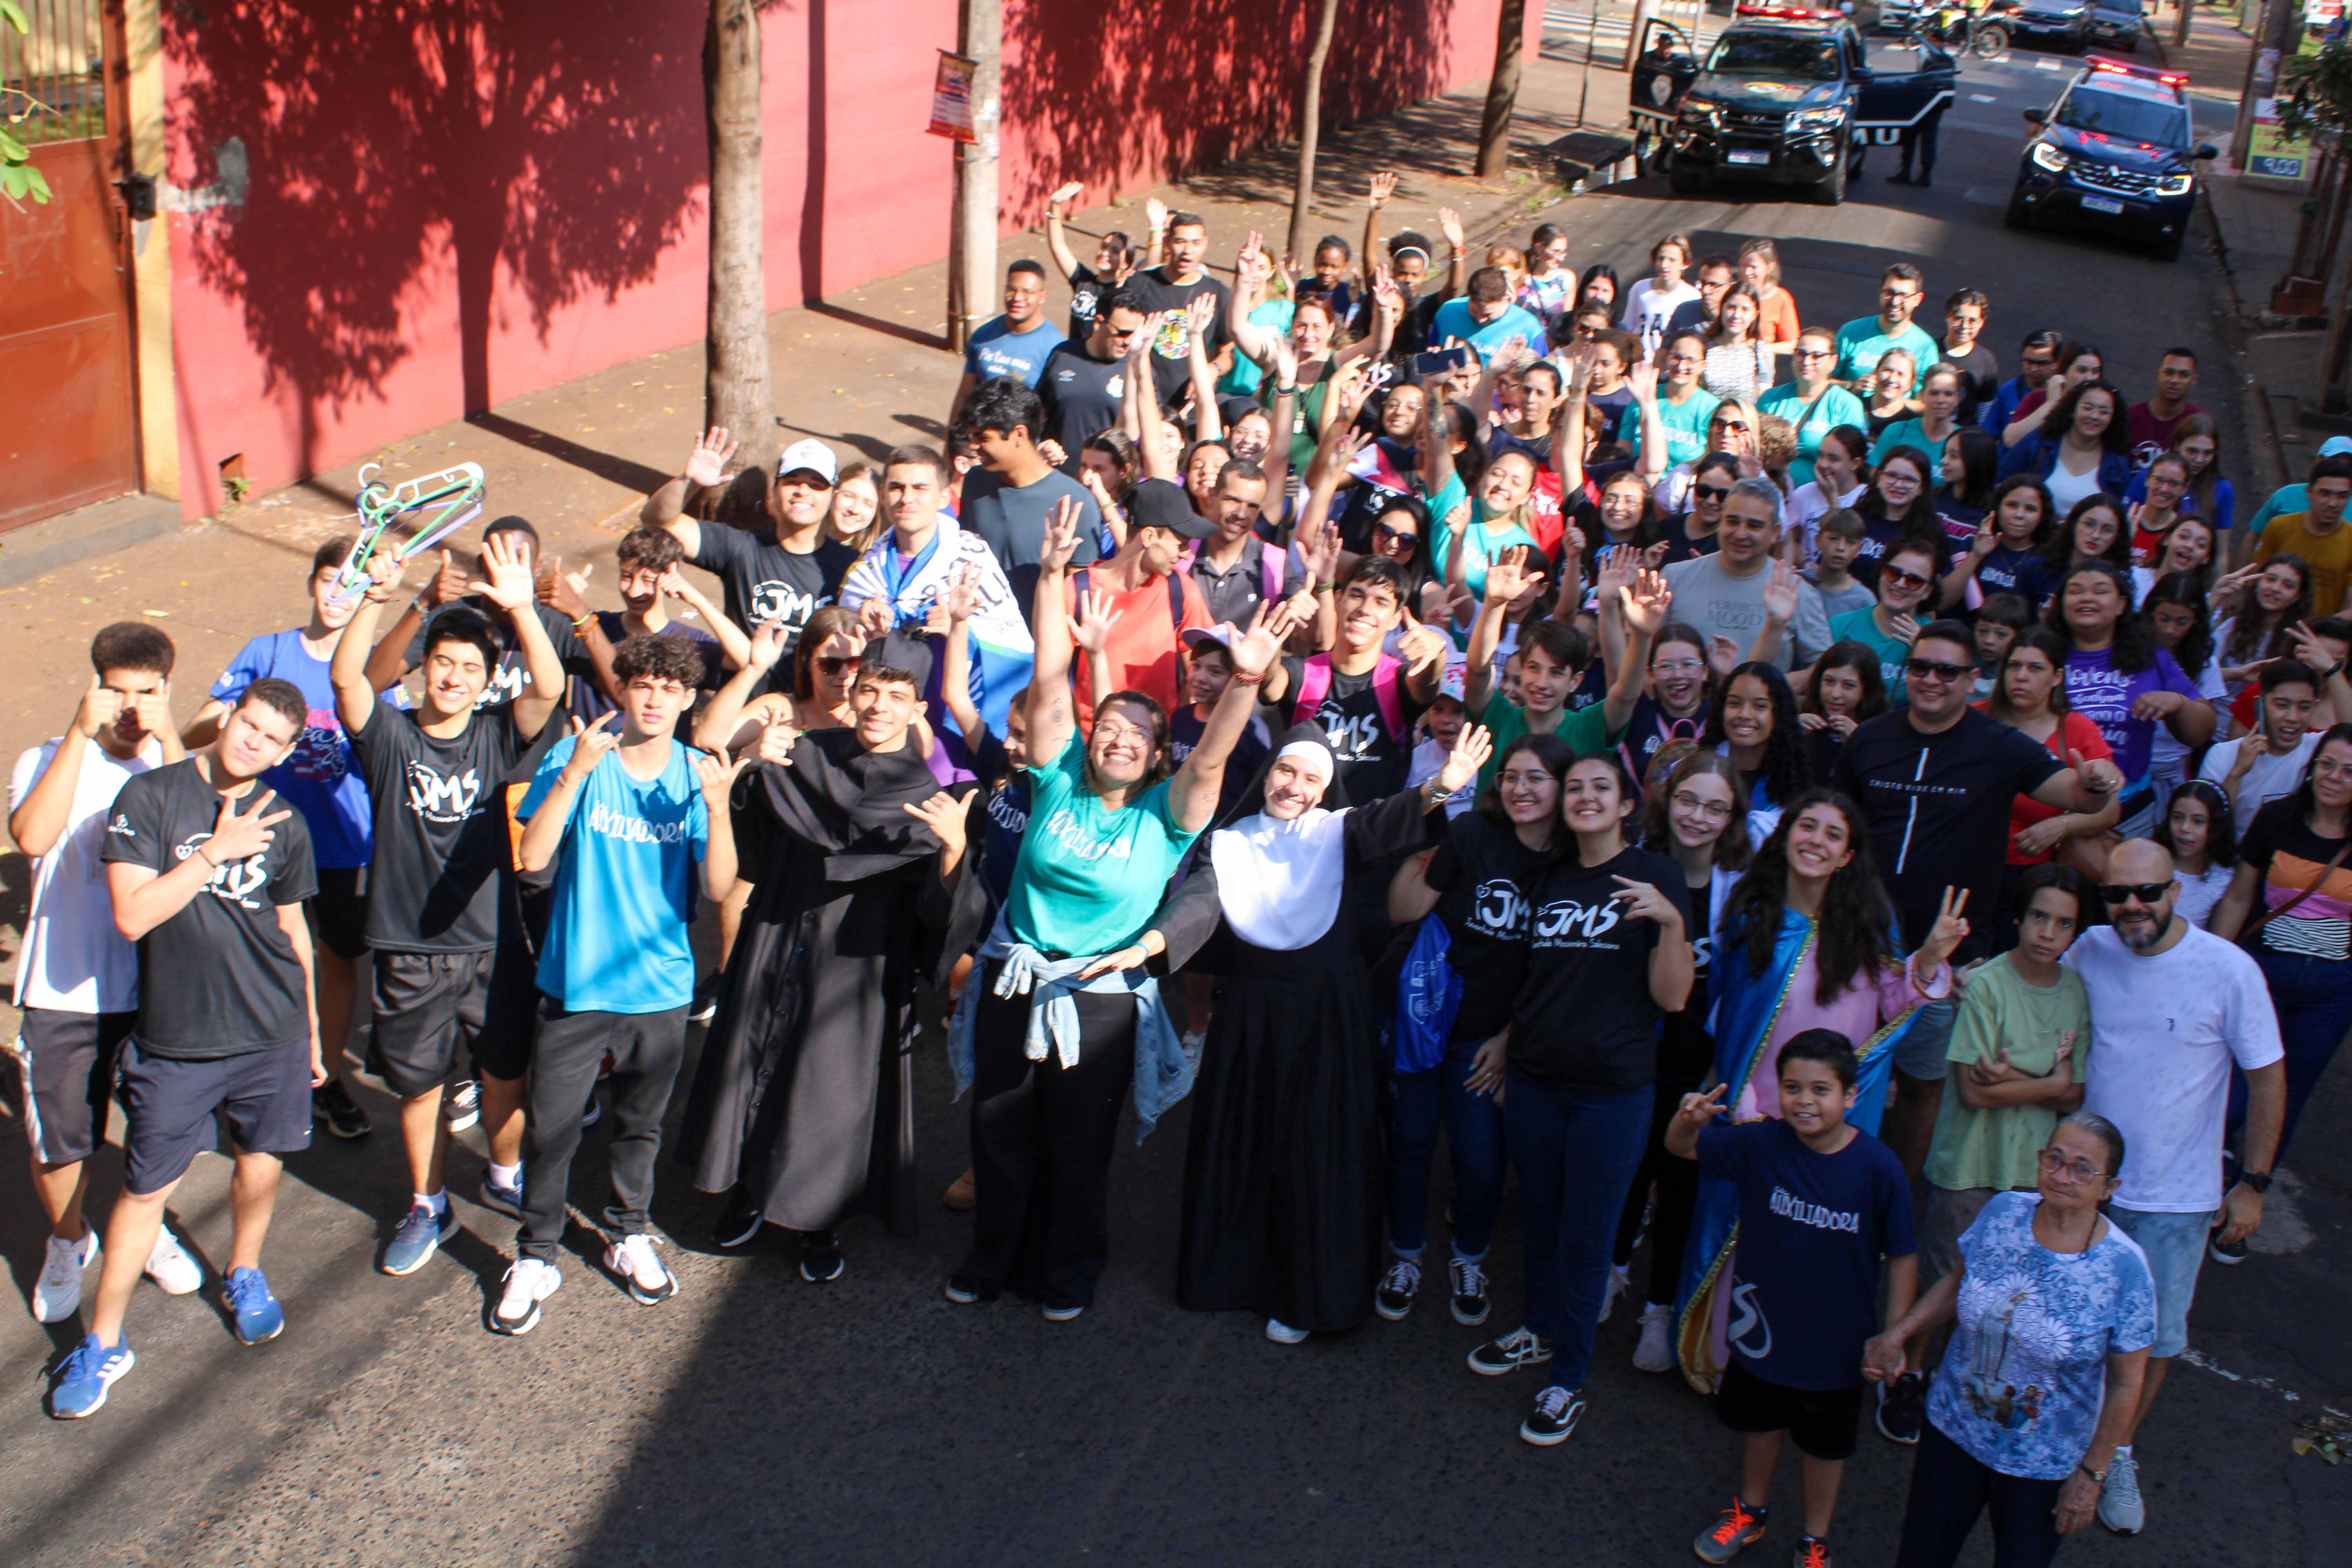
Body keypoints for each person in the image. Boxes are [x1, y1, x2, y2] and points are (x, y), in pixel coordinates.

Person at [943, 511, 1289, 1319]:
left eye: (1140, 734)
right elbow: (1054, 680)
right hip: (1012, 973)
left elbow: (1211, 759)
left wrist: (1243, 680)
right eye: (1110, 727)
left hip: (1097, 994)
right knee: (998, 1127)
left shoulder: (1167, 815)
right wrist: (1054, 573)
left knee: (1076, 1143)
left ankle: (1066, 1272)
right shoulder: (1056, 776)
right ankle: (991, 1257)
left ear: (1157, 753)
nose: (1120, 740)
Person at [1160, 720, 1492, 1342]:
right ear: (1267, 774)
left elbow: (1386, 818)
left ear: (1326, 787)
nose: (1295, 787)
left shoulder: (1336, 834)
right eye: (1286, 771)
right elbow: (1200, 905)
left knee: (1315, 1151)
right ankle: (1228, 1278)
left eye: (1312, 777)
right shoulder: (1229, 841)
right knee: (1245, 1142)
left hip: (1324, 1024)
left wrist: (1440, 789)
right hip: (1250, 1021)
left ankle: (1307, 1296)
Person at [49, 679, 318, 1419]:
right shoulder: (151, 798)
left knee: (262, 1164)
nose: (251, 743)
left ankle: (245, 1271)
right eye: (247, 726)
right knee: (144, 1191)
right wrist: (215, 854)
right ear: (229, 717)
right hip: (177, 1043)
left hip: (273, 1032)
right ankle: (104, 1341)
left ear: (287, 753)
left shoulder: (286, 819)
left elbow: (293, 931)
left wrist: (315, 1031)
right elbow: (132, 917)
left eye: (270, 740)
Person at [675, 635, 972, 1275]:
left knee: (829, 1098)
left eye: (897, 697)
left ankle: (819, 1224)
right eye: (870, 691)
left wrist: (951, 857)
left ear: (918, 709)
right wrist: (753, 765)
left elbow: (939, 919)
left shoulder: (924, 794)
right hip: (778, 938)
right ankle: (750, 1193)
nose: (879, 708)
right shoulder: (806, 755)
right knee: (755, 1071)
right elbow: (745, 836)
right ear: (852, 691)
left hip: (859, 967)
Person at [1677, 793, 1964, 1409]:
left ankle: (1811, 1361)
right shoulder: (1749, 914)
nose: (1816, 840)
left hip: (1837, 1118)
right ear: (1784, 838)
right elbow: (1730, 1015)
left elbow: (1892, 1008)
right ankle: (1728, 1359)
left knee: (1821, 1239)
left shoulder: (1870, 925)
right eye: (1805, 826)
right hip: (1758, 1109)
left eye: (1832, 834)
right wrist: (1746, 1099)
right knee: (1746, 1234)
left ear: (1847, 855)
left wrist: (1930, 960)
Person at [332, 531, 566, 1277]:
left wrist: (524, 611)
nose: (455, 677)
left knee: (505, 1077)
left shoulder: (500, 736)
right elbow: (349, 682)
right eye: (443, 663)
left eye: (470, 668)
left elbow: (550, 689)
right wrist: (382, 601)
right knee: (419, 1087)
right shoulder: (391, 738)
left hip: (493, 946)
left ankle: (503, 1171)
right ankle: (427, 1202)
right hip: (409, 947)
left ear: (487, 678)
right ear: (423, 670)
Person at [495, 637, 744, 1330]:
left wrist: (720, 810)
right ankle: (537, 1250)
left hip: (661, 988)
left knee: (641, 1126)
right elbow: (534, 857)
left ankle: (628, 1230)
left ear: (690, 699)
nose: (656, 699)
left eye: (671, 688)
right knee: (552, 1129)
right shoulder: (583, 757)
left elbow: (718, 885)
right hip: (576, 984)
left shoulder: (699, 775)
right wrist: (573, 774)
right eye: (644, 685)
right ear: (622, 691)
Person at [1832, 619, 2123, 1185]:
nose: (1932, 680)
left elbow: (2072, 792)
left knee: (1921, 1084)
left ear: (1972, 681)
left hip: (1946, 957)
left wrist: (2096, 780)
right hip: (1861, 947)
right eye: (1921, 667)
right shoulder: (1870, 740)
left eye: (1947, 671)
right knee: (1848, 1071)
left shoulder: (1999, 745)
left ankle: (1894, 1197)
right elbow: (1836, 829)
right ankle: (1836, 1188)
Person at [1466, 752, 1694, 1448]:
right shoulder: (1551, 875)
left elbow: (1675, 997)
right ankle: (1539, 1331)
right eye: (1575, 789)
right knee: (1538, 1216)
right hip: (1536, 1080)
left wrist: (1672, 926)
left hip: (1612, 1093)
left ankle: (1570, 1377)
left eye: (1602, 788)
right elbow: (1537, 975)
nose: (1586, 797)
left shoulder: (1657, 876)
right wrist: (1506, 1039)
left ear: (1628, 805)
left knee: (1588, 1235)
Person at [2073, 840, 2285, 1532]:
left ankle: (2115, 1455)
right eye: (2118, 894)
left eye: (2149, 892)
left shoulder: (2229, 970)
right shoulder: (2091, 950)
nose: (2133, 907)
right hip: (2088, 1191)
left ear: (2176, 892)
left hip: (2177, 1201)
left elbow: (2267, 1076)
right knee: (2076, 1327)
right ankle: (2067, 1439)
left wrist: (2252, 1183)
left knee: (2153, 1343)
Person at [177, 541, 418, 1141]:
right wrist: (237, 717)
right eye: (331, 580)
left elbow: (400, 751)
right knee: (257, 960)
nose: (340, 594)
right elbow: (193, 733)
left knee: (337, 963)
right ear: (312, 583)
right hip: (259, 838)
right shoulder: (268, 651)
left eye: (354, 583)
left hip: (346, 846)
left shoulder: (375, 665)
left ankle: (325, 1077)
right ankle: (245, 1076)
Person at [1671, 1030, 1918, 1568]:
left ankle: (1815, 1540)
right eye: (1792, 1087)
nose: (1805, 1100)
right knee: (1761, 1425)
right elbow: (1682, 1148)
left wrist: (1893, 1335)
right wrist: (1688, 1118)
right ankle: (1750, 1512)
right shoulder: (1760, 1142)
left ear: (1852, 1096)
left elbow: (1903, 1255)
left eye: (1821, 1089)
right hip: (1764, 1328)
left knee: (1825, 1447)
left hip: (1837, 1344)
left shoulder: (1880, 1169)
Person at [11, 625, 198, 1327]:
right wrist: (76, 737)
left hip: (156, 989)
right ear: (93, 687)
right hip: (64, 990)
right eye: (115, 689)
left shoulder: (171, 766)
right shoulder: (47, 758)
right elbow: (31, 837)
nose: (129, 705)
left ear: (165, 691)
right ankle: (69, 1241)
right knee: (60, 1142)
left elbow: (204, 839)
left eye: (145, 692)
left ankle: (145, 1232)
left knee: (158, 1132)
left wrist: (172, 739)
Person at [1869, 1113, 2156, 1568]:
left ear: (2109, 1187)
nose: (2062, 1176)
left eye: (2083, 1168)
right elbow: (1959, 1283)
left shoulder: (2125, 1268)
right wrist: (1899, 1333)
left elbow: (2126, 1382)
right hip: (1954, 1430)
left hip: (2043, 1465)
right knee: (1921, 1556)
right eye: (2054, 1159)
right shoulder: (2004, 1212)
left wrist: (2092, 1473)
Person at [1382, 733, 1573, 1325]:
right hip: (1428, 1017)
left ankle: (1470, 1255)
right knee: (1411, 1144)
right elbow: (1405, 910)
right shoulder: (1472, 835)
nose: (1521, 789)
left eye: (1536, 778)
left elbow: (1561, 972)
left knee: (1481, 1162)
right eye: (1512, 776)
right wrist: (1414, 859)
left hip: (1490, 1039)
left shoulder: (1570, 865)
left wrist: (1512, 1038)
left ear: (1562, 788)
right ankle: (1406, 1255)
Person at [1609, 751, 1751, 1372]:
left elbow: (1747, 988)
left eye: (1716, 807)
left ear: (1733, 817)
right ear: (1668, 799)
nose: (1699, 816)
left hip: (1702, 1062)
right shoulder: (1636, 863)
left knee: (1682, 1184)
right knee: (1625, 1173)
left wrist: (1724, 1068)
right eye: (1689, 800)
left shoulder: (1744, 890)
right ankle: (1610, 1274)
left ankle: (1660, 1309)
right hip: (1635, 1051)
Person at [1920, 863, 2092, 1323]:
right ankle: (1909, 1376)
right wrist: (2049, 1082)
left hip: (2028, 1171)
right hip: (1968, 1163)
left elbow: (2074, 1095)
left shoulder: (2076, 991)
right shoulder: (1987, 985)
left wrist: (2012, 1080)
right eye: (2039, 917)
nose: (2048, 933)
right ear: (2019, 918)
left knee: (2004, 1294)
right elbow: (1973, 1094)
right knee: (1942, 1281)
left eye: (2064, 923)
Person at [2211, 724, 2352, 1172]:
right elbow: (2238, 896)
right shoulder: (2276, 819)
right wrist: (2211, 963)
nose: (2335, 777)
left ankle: (2250, 1190)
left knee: (2290, 1093)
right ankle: (2203, 1173)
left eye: (2350, 771)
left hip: (2331, 991)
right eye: (2327, 765)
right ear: (2311, 769)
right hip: (2263, 974)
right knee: (2233, 1086)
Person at [641, 430, 859, 673]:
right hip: (740, 699)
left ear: (832, 498)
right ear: (775, 491)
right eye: (792, 481)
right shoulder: (740, 547)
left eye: (817, 486)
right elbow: (658, 522)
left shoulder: (851, 566)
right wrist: (687, 481)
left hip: (812, 705)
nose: (802, 491)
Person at [1256, 555, 1452, 802]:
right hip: (1302, 831)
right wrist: (1278, 627)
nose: (1365, 609)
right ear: (1338, 600)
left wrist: (1438, 652)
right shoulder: (1302, 673)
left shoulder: (1398, 681)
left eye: (1381, 602)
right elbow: (1269, 685)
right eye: (1357, 595)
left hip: (1370, 833)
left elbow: (1426, 682)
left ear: (1395, 619)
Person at [2044, 560, 2214, 837]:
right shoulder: (2042, 653)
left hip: (2129, 810)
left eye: (2100, 591)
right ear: (2061, 603)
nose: (2087, 597)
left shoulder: (2153, 657)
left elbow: (2202, 731)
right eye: (2076, 591)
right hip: (2052, 803)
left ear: (2122, 605)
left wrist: (2178, 703)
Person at [1982, 628, 2119, 906]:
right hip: (1971, 865)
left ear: (2057, 677)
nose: (2021, 676)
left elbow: (2110, 809)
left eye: (2035, 668)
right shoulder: (1974, 718)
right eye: (2014, 666)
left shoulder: (2077, 729)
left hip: (2039, 878)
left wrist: (2061, 826)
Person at [959, 377, 1107, 612]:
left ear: (1019, 434)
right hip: (979, 638)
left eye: (983, 438)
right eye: (972, 437)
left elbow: (1079, 597)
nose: (973, 446)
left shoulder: (1077, 503)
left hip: (1040, 643)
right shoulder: (975, 482)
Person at [1668, 485, 1829, 675]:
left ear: (1775, 533)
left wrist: (1779, 688)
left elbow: (1825, 667)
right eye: (1732, 522)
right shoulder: (1675, 577)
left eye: (1754, 526)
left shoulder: (1797, 592)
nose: (1740, 534)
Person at [1037, 288, 1146, 478]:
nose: (1128, 342)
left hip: (1104, 487)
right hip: (1055, 478)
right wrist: (1039, 447)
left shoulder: (1139, 369)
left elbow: (1146, 433)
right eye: (1122, 333)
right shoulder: (1063, 354)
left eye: (1134, 335)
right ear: (1098, 323)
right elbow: (1037, 412)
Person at [1126, 210, 1232, 406]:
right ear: (1167, 244)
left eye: (1196, 243)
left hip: (1191, 408)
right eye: (1180, 242)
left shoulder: (1218, 293)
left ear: (1205, 245)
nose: (1187, 251)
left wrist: (1213, 369)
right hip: (1142, 400)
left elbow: (1228, 352)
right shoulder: (1139, 285)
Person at [948, 260, 1067, 428]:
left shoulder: (1056, 348)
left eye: (1027, 293)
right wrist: (951, 445)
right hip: (982, 441)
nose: (1018, 298)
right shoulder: (983, 336)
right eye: (1011, 290)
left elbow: (1058, 410)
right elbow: (964, 396)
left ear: (1042, 297)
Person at [2200, 659, 2322, 819]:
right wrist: (2237, 772)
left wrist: (2334, 671)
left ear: (2315, 708)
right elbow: (2207, 824)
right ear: (2260, 704)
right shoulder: (2222, 755)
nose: (2293, 718)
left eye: (2304, 708)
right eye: (2282, 706)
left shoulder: (2321, 748)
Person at [1828, 535, 1939, 703]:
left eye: (1914, 581)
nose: (1901, 584)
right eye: (1894, 573)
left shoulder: (1936, 640)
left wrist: (1925, 653)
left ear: (1927, 591)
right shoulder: (1840, 626)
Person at [1998, 381, 2132, 517]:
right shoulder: (2038, 443)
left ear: (2113, 418)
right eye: (2088, 408)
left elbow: (2119, 513)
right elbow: (2001, 482)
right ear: (2073, 409)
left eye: (2104, 412)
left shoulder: (2118, 463)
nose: (2094, 416)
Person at [1760, 329, 1869, 490]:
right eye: (1801, 354)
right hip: (1769, 495)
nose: (1806, 362)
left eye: (1817, 356)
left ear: (1833, 362)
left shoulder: (1847, 405)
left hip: (1821, 500)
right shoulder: (1770, 399)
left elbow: (1854, 463)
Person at [2252, 454, 2352, 615]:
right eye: (2325, 494)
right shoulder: (2279, 527)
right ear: (2310, 492)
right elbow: (2257, 577)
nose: (2333, 504)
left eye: (2342, 496)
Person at [1041, 180, 1131, 341]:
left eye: (1115, 251)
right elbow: (1058, 246)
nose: (1106, 253)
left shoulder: (1128, 292)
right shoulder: (1083, 280)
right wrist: (1055, 206)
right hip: (1075, 358)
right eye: (1104, 247)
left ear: (1126, 263)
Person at [1834, 264, 1937, 396]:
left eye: (1903, 295)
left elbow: (1925, 404)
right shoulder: (1851, 332)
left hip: (1899, 418)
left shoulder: (1925, 347)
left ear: (1917, 299)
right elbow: (1821, 382)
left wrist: (1893, 403)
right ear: (1880, 293)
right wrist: (1851, 387)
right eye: (1890, 293)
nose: (1895, 302)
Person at [2153, 779, 2236, 929]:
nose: (2185, 828)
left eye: (2198, 822)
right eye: (2178, 818)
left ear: (2216, 827)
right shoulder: (2150, 861)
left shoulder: (2223, 879)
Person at [1798, 639, 1886, 780]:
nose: (1835, 694)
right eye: (1829, 682)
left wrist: (1860, 745)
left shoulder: (1883, 730)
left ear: (1865, 690)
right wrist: (1792, 735)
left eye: (1849, 686)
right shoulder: (1804, 717)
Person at [1976, 330, 2064, 439]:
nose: (2034, 369)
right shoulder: (2008, 391)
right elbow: (1988, 435)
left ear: (2058, 363)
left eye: (2042, 363)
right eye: (2029, 362)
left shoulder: (2066, 393)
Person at [1621, 233, 1699, 355]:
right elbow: (1628, 329)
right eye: (1661, 258)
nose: (1664, 265)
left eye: (1672, 260)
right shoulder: (1639, 289)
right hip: (1641, 365)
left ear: (1685, 264)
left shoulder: (1693, 296)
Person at [2125, 347, 2202, 467]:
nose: (2175, 380)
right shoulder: (2130, 417)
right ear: (2159, 374)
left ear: (2194, 380)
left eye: (2184, 375)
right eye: (2169, 373)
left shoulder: (2199, 423)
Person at [1935, 290, 1999, 427]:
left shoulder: (1986, 361)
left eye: (1972, 321)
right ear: (1948, 317)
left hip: (1962, 435)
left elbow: (1985, 408)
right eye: (1959, 318)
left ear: (1982, 322)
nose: (1965, 326)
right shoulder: (1930, 351)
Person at [1802, 510, 1875, 621]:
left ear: (1859, 550)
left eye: (1850, 542)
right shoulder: (1798, 582)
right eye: (1833, 539)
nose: (1841, 547)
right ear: (1818, 541)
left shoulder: (1864, 601)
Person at [1663, 253, 1735, 341]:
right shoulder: (1684, 312)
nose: (1705, 291)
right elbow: (1665, 351)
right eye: (1703, 284)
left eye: (1713, 285)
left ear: (1731, 286)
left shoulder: (1737, 319)